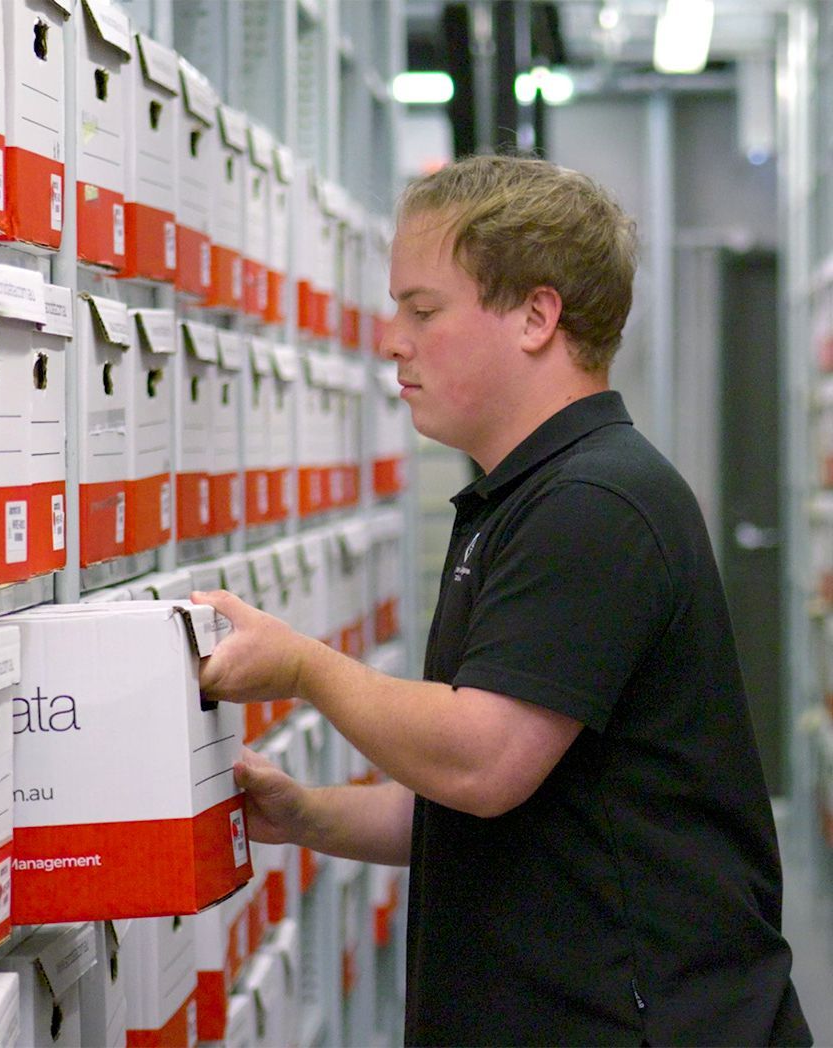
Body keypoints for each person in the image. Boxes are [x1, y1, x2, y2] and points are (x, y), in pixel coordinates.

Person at [191, 153, 812, 1046]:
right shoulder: (525, 498)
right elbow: (503, 809)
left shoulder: (593, 506)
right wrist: (309, 815)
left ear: (535, 316)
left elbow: (484, 766)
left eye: (423, 309)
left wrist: (300, 664)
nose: (391, 339)